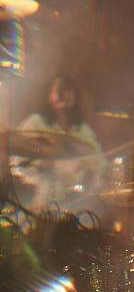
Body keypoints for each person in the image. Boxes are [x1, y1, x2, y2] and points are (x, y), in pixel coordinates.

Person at [10, 75, 106, 210]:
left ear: (76, 97)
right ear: (48, 95)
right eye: (58, 89)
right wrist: (41, 168)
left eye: (68, 89)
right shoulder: (35, 122)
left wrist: (89, 169)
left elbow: (100, 162)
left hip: (74, 203)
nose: (63, 94)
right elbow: (17, 163)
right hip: (37, 203)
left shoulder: (83, 129)